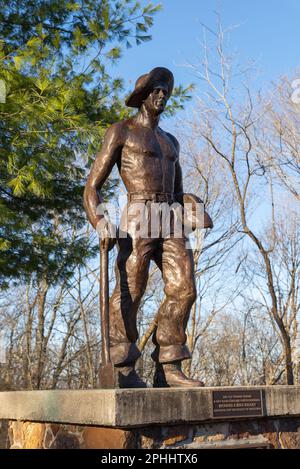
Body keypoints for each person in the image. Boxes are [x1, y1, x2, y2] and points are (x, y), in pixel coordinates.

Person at [84, 67, 212, 387]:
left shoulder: (171, 142)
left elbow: (178, 189)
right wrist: (100, 221)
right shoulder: (121, 131)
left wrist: (194, 207)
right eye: (156, 90)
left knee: (185, 287)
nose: (161, 96)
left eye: (165, 92)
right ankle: (123, 366)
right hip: (138, 215)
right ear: (143, 95)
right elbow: (91, 187)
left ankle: (169, 365)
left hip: (170, 216)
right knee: (131, 290)